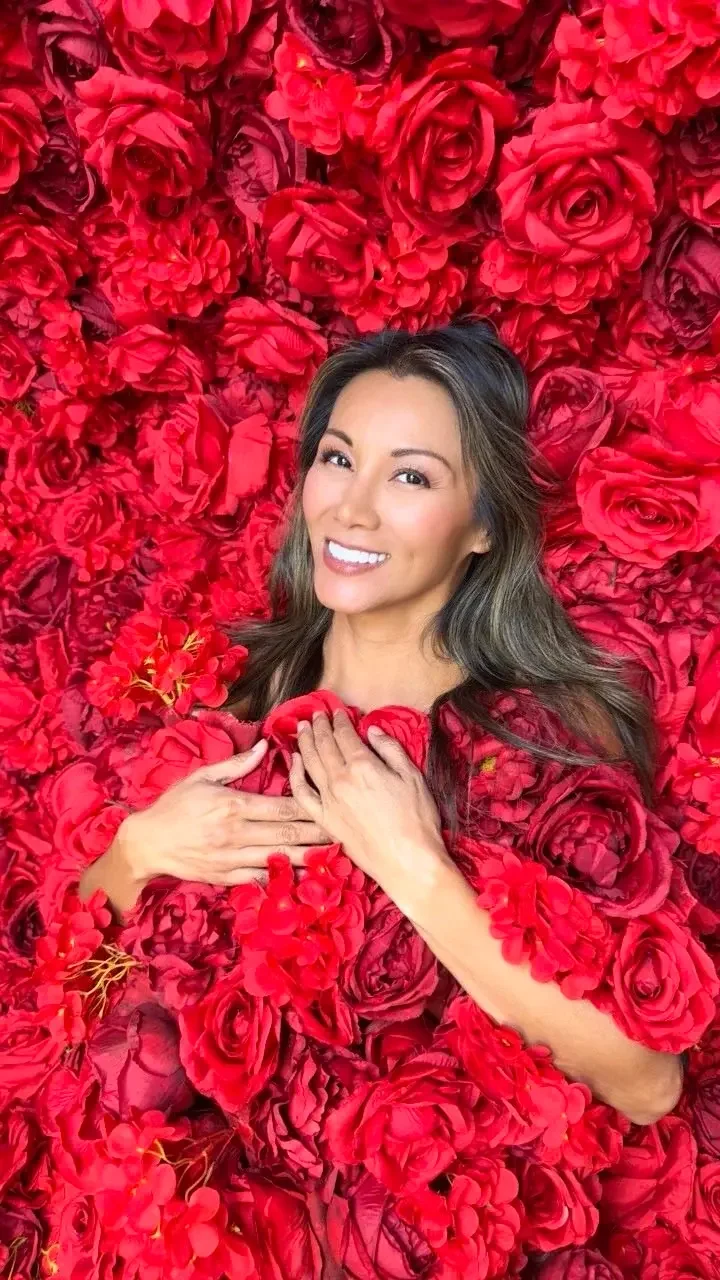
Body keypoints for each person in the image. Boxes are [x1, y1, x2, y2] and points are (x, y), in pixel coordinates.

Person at [79, 321, 682, 1127]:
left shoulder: (529, 743)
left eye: (410, 477)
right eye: (338, 459)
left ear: (484, 526)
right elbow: (66, 978)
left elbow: (649, 1086)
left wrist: (413, 866)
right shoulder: (223, 690)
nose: (353, 509)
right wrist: (137, 852)